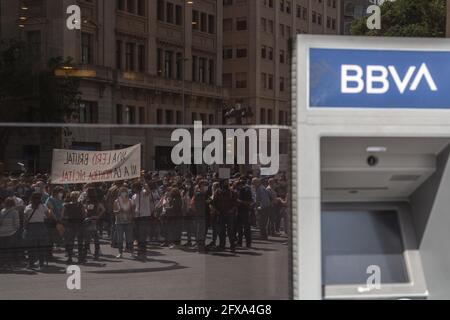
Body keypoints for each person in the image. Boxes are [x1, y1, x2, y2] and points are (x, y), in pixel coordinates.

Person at [23, 192, 53, 270]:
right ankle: (41, 264)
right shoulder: (43, 206)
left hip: (31, 227)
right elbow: (48, 216)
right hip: (41, 227)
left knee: (31, 247)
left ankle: (31, 263)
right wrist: (50, 209)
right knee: (41, 246)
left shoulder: (28, 207)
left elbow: (25, 220)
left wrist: (25, 228)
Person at [212, 180, 237, 253]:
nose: (226, 185)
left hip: (229, 214)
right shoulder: (217, 192)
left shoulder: (232, 192)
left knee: (230, 231)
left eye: (227, 183)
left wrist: (232, 210)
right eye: (224, 183)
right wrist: (216, 210)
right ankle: (222, 245)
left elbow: (235, 202)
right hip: (221, 214)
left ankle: (232, 246)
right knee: (221, 231)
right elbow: (212, 201)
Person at [132, 178, 154, 261]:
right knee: (138, 236)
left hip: (144, 217)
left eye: (134, 188)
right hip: (137, 217)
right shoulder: (134, 196)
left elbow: (148, 191)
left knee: (143, 236)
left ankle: (143, 253)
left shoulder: (144, 193)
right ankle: (139, 253)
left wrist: (144, 182)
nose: (133, 189)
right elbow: (134, 207)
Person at [62, 192, 86, 264]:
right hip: (79, 224)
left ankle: (70, 258)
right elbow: (84, 214)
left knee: (70, 242)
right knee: (79, 242)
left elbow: (63, 215)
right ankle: (80, 258)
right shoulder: (80, 205)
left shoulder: (65, 205)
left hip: (69, 224)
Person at [83, 187, 105, 261]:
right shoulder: (89, 201)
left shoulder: (94, 202)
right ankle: (95, 254)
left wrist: (97, 216)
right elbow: (103, 209)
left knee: (90, 239)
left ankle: (89, 254)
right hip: (90, 220)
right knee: (93, 239)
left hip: (91, 221)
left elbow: (103, 209)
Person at [113, 187, 134, 259]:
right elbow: (114, 211)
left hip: (128, 222)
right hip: (119, 222)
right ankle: (120, 253)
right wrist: (118, 211)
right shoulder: (116, 201)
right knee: (120, 239)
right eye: (122, 191)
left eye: (125, 191)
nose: (123, 193)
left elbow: (132, 211)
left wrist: (131, 217)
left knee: (129, 238)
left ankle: (132, 252)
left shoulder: (130, 201)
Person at [0, 198, 20, 269]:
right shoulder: (15, 212)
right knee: (9, 249)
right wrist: (15, 230)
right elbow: (17, 224)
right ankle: (8, 264)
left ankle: (2, 264)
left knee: (2, 249)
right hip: (10, 233)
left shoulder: (2, 211)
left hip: (1, 233)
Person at [45, 187, 65, 260]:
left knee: (56, 237)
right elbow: (51, 210)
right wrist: (56, 219)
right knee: (51, 238)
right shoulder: (49, 199)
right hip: (52, 221)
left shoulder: (60, 200)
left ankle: (50, 254)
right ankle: (49, 255)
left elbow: (62, 208)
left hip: (59, 220)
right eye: (60, 192)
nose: (61, 194)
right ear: (55, 192)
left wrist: (61, 218)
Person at [235, 178, 253, 248]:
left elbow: (249, 202)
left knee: (246, 228)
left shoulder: (247, 191)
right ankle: (240, 242)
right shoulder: (241, 191)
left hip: (244, 211)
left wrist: (240, 201)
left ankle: (247, 243)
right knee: (240, 228)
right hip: (240, 211)